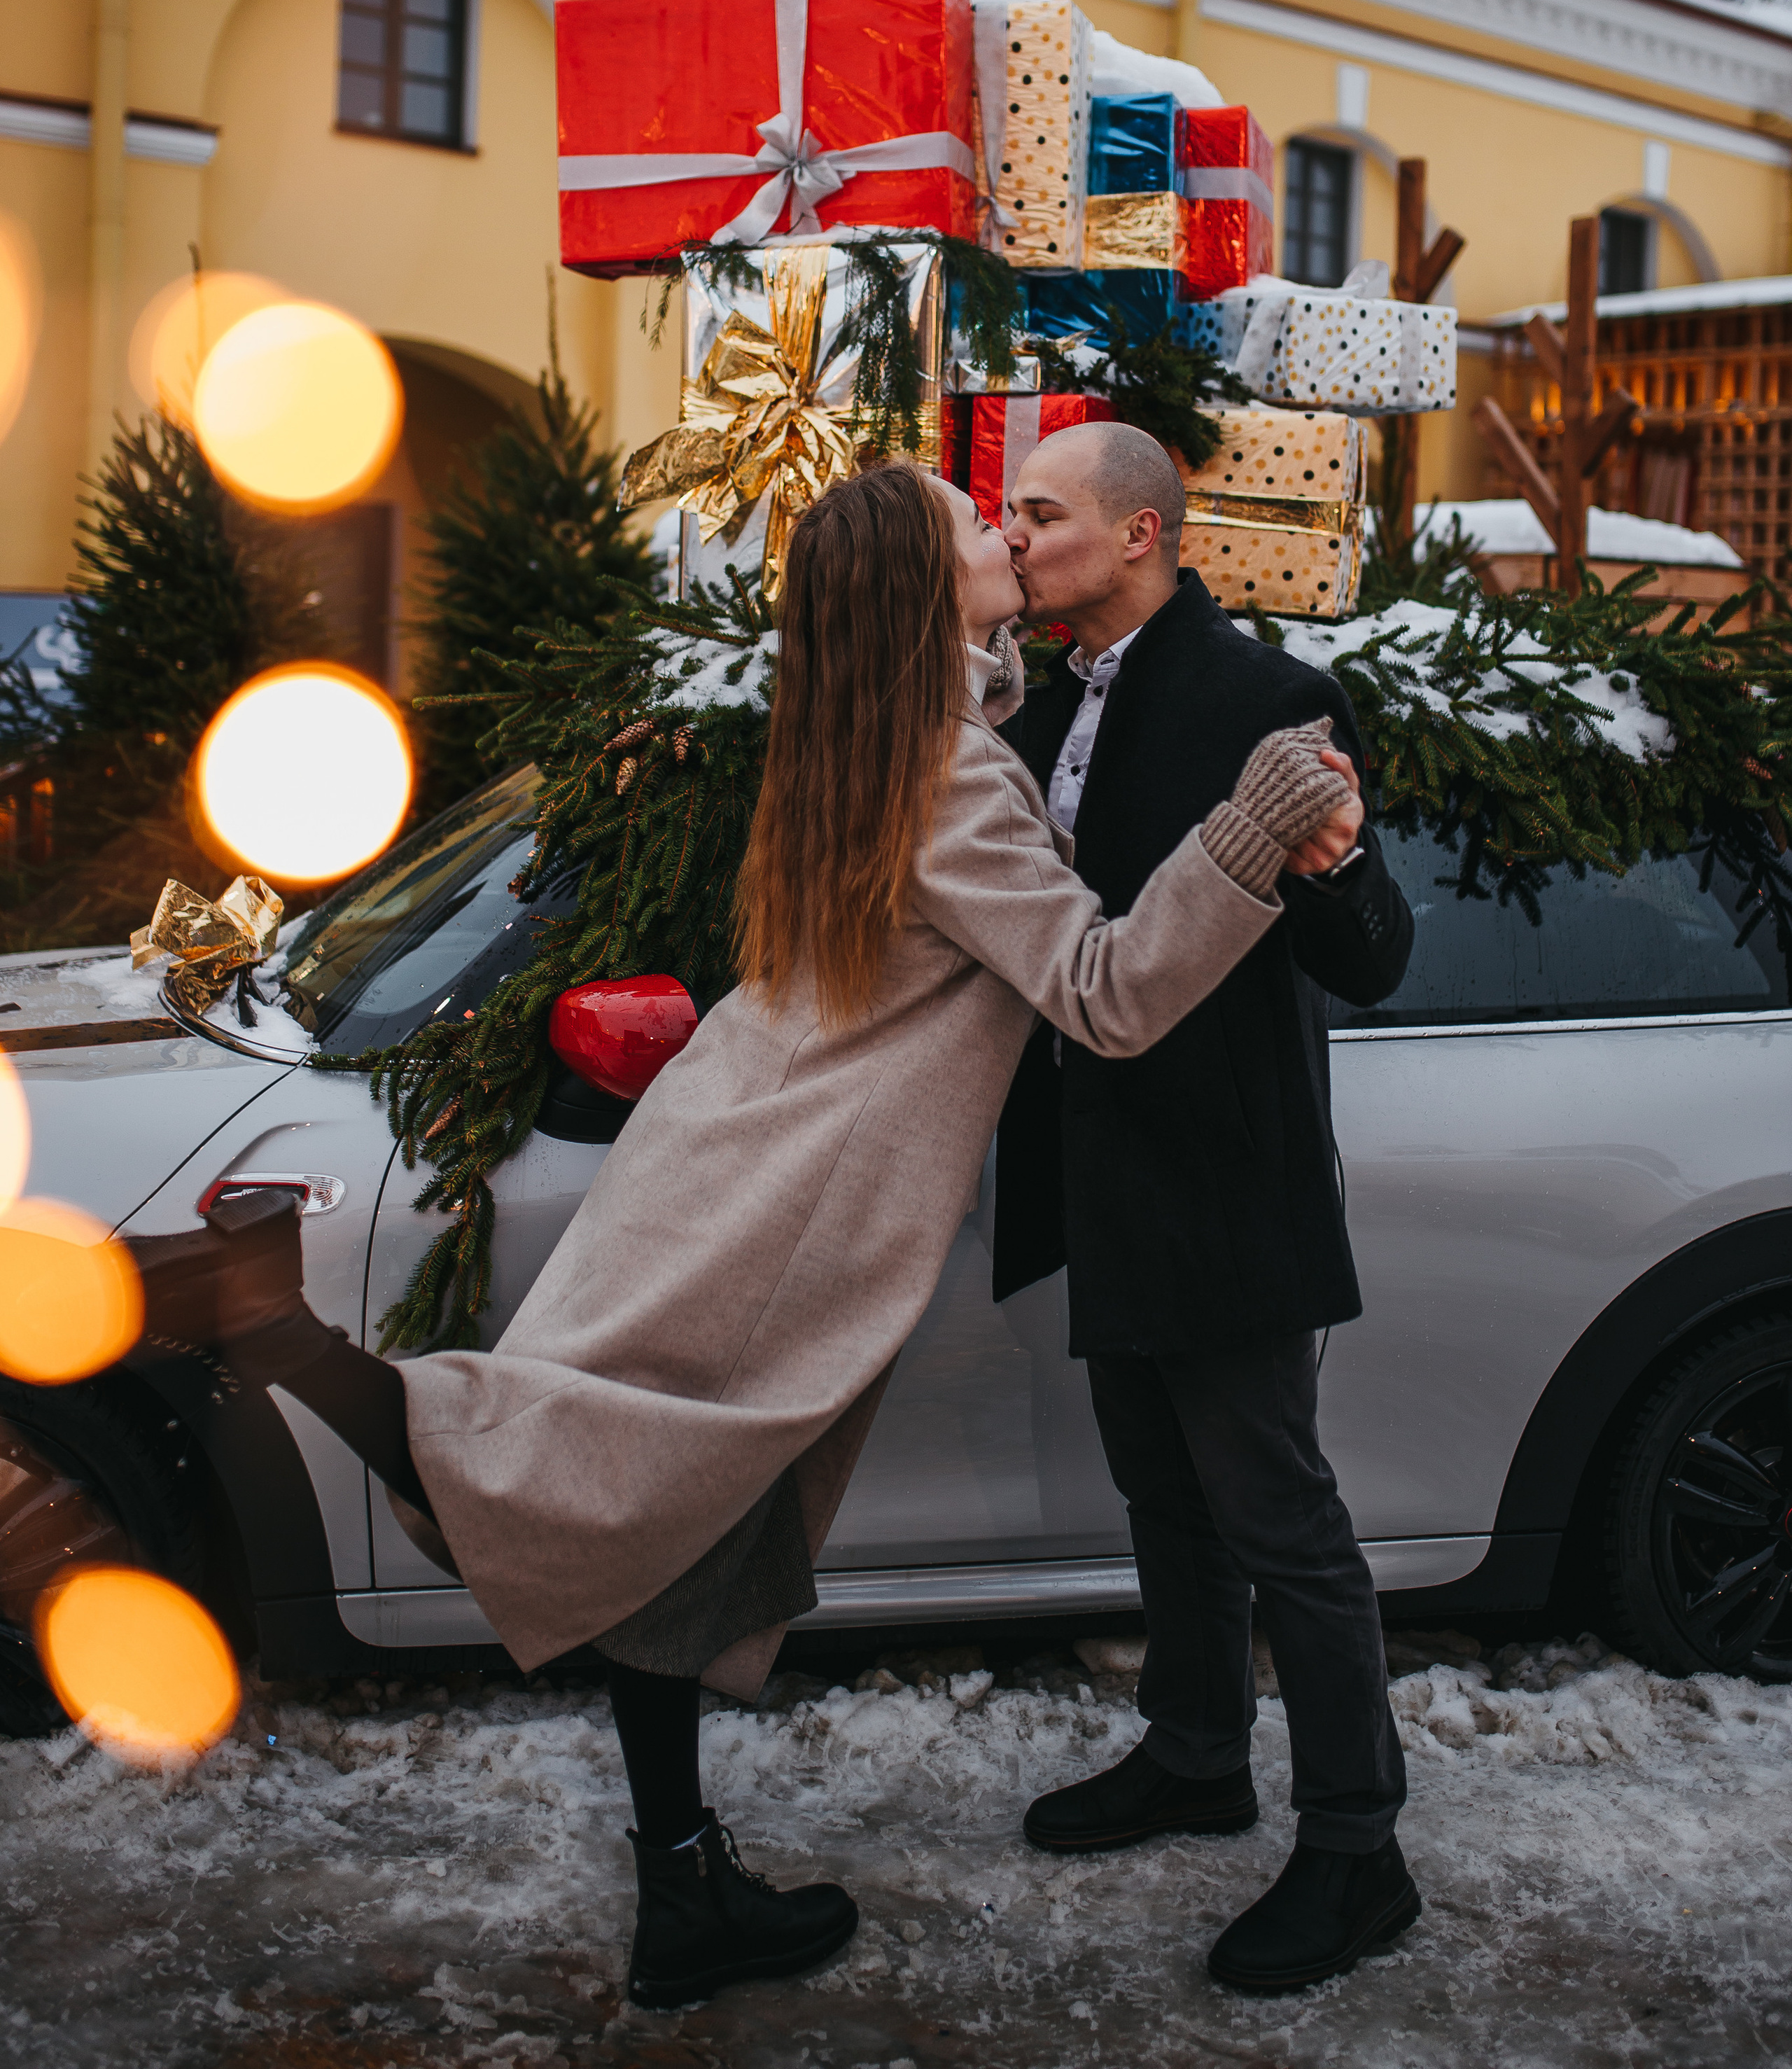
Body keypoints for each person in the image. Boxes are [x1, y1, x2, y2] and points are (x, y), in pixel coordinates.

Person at [128, 459, 1366, 2013]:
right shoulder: (956, 775)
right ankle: (281, 1334)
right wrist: (1242, 838)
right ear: (926, 593)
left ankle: (683, 1887)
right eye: (975, 528)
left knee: (667, 1511)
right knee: (608, 1481)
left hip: (728, 1159)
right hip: (792, 1207)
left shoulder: (862, 742)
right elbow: (1105, 994)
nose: (1002, 534)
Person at [995, 420, 1419, 2000]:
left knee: (1279, 1523)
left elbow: (1369, 961)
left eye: (1042, 515)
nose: (1016, 535)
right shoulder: (1041, 709)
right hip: (1102, 1178)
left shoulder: (1267, 705)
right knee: (1161, 1499)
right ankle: (1193, 1755)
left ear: (1141, 535)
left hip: (1227, 1189)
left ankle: (1357, 1849)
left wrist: (1345, 858)